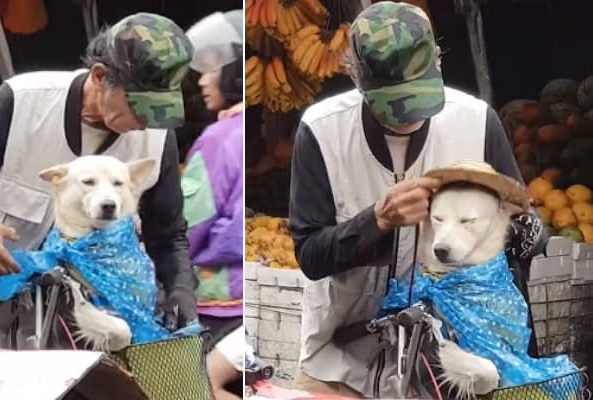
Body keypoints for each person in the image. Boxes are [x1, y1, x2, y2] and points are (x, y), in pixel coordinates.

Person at [288, 2, 546, 398]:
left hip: (451, 362)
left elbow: (517, 241)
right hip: (341, 360)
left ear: (438, 65)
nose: (409, 116)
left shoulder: (476, 122)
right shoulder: (322, 133)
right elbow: (310, 255)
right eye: (393, 102)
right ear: (357, 80)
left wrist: (523, 233)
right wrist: (375, 221)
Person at [0, 13, 199, 348]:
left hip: (88, 337)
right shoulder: (23, 103)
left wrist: (181, 291)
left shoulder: (156, 138)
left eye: (158, 108)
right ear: (99, 75)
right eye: (139, 105)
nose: (146, 121)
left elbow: (167, 235)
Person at [182, 9, 244, 399]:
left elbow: (189, 225)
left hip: (221, 302)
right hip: (245, 302)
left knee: (191, 387)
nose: (202, 79)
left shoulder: (218, 138)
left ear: (234, 72)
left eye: (210, 69)